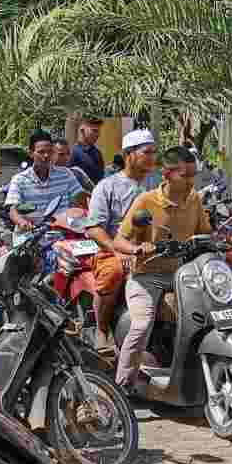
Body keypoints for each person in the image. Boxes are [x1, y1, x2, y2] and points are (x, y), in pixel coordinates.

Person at [112, 145, 206, 392]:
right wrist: (136, 249)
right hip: (146, 277)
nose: (191, 181)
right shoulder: (145, 201)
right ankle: (122, 385)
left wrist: (227, 239)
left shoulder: (194, 199)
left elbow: (205, 232)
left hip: (181, 275)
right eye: (185, 176)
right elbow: (119, 240)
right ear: (166, 174)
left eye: (193, 175)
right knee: (141, 325)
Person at [88, 129, 157, 357]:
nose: (152, 157)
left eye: (154, 152)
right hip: (115, 251)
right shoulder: (107, 187)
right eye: (147, 152)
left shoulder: (160, 184)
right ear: (129, 155)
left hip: (156, 251)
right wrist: (117, 252)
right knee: (113, 272)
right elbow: (94, 228)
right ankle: (101, 329)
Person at [5, 130, 82, 231]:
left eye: (49, 152)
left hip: (61, 235)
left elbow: (81, 200)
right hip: (31, 235)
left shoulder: (66, 174)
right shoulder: (19, 180)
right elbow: (13, 210)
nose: (46, 156)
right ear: (31, 153)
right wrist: (22, 222)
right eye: (41, 152)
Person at [70, 117, 106, 185]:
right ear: (82, 130)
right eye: (94, 130)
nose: (98, 135)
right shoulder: (73, 153)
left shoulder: (97, 152)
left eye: (98, 131)